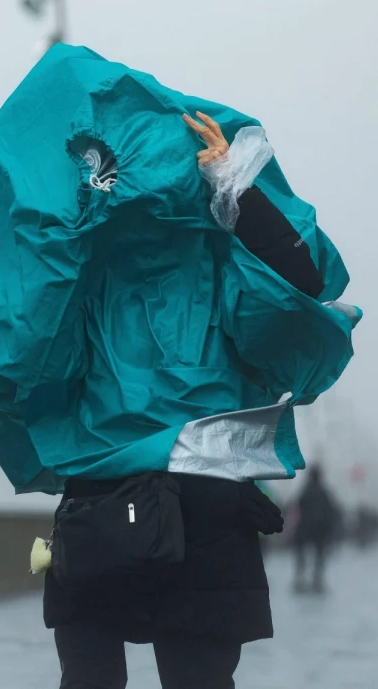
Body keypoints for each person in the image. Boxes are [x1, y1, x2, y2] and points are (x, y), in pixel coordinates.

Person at [45, 112, 340, 689]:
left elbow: (23, 320)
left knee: (90, 675)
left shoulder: (86, 261)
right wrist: (234, 185)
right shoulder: (218, 257)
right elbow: (298, 285)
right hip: (202, 491)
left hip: (102, 492)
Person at [292, 464, 342, 593]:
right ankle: (317, 580)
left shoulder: (305, 490)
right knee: (319, 556)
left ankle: (300, 578)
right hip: (320, 530)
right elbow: (332, 512)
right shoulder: (324, 492)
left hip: (304, 528)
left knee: (301, 555)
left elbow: (298, 509)